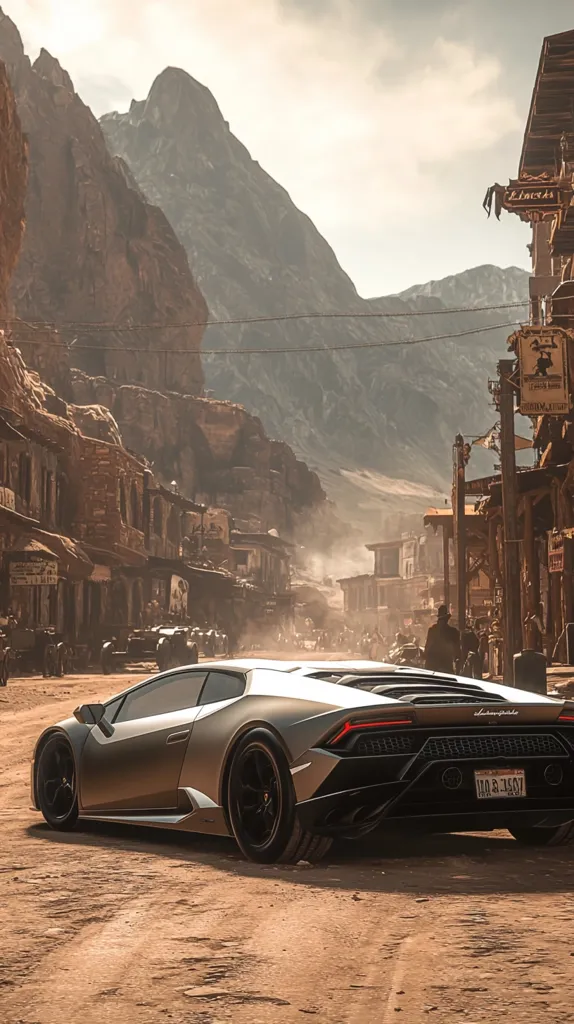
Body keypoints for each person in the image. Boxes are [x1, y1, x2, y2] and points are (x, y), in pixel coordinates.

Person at [424, 605, 461, 674]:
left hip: (433, 666)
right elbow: (457, 651)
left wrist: (425, 656)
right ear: (447, 619)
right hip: (446, 665)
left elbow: (427, 647)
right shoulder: (453, 631)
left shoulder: (432, 630)